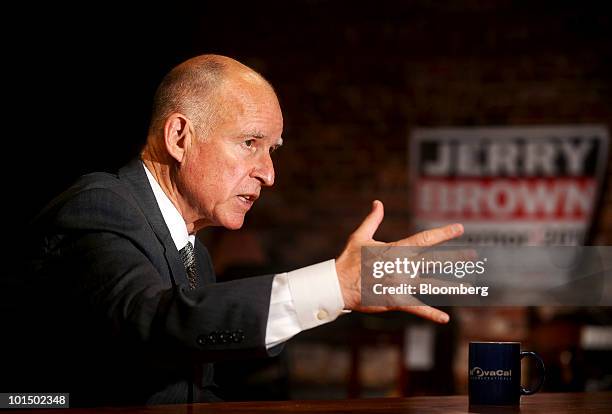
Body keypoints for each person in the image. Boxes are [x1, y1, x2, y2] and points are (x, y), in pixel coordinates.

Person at [16, 55, 463, 406]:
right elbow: (152, 322)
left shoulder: (197, 255)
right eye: (250, 143)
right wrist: (335, 286)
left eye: (272, 150)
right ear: (179, 138)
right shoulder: (97, 207)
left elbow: (190, 384)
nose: (268, 173)